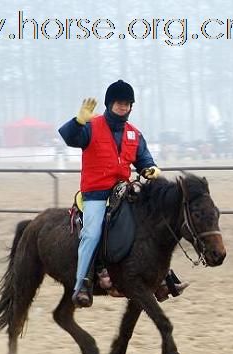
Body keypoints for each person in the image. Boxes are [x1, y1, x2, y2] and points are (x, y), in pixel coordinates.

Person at [58, 80, 162, 308]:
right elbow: (69, 137)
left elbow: (143, 159)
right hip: (95, 193)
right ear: (109, 104)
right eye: (119, 103)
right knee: (92, 234)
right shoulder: (91, 126)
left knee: (149, 224)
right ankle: (82, 283)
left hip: (121, 191)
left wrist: (150, 168)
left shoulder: (134, 134)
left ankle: (162, 277)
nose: (123, 107)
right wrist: (77, 122)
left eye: (127, 104)